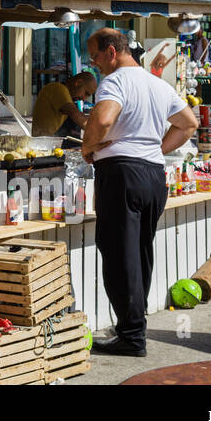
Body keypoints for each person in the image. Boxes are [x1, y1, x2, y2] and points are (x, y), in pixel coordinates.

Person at [81, 28, 198, 357]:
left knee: (120, 256)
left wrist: (88, 148)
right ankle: (133, 329)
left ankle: (131, 336)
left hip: (122, 174)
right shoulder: (156, 84)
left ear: (111, 52)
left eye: (95, 56)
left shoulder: (115, 82)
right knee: (139, 253)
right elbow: (188, 123)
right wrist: (155, 148)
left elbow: (103, 119)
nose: (94, 64)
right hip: (152, 175)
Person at [32, 73, 97, 139]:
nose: (84, 99)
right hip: (45, 143)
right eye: (86, 93)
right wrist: (98, 130)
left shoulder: (65, 94)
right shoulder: (58, 88)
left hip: (47, 141)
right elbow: (74, 113)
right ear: (78, 83)